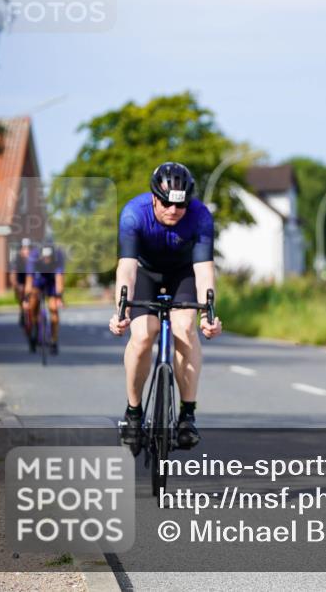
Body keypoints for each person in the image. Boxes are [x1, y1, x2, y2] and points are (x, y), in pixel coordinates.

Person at [109, 162, 222, 450]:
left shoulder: (200, 217)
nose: (173, 211)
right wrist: (120, 310)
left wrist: (209, 314)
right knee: (143, 335)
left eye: (180, 206)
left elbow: (204, 271)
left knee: (185, 329)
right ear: (153, 198)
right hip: (146, 273)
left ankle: (187, 415)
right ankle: (133, 414)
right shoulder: (134, 214)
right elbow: (126, 269)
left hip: (182, 274)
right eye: (166, 205)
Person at [25, 243, 65, 354]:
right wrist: (27, 297)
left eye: (49, 258)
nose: (47, 260)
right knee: (33, 304)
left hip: (51, 280)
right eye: (45, 258)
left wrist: (59, 297)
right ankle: (34, 332)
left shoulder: (58, 256)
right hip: (39, 278)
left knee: (53, 308)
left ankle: (54, 341)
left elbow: (59, 279)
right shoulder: (33, 257)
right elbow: (29, 279)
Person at [11, 239, 32, 329]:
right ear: (20, 250)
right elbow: (13, 274)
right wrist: (15, 285)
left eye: (29, 248)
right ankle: (22, 310)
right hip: (21, 279)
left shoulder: (34, 258)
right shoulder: (17, 259)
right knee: (20, 290)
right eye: (24, 248)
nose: (27, 251)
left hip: (31, 279)